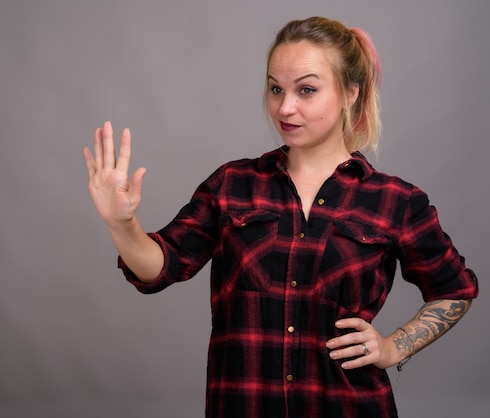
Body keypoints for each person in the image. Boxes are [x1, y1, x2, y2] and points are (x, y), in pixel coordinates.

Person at [83, 16, 478, 418]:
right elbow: (159, 267)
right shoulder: (232, 184)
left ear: (350, 93)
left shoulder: (395, 200)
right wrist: (122, 224)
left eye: (306, 90)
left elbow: (455, 289)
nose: (285, 107)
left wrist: (394, 346)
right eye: (276, 89)